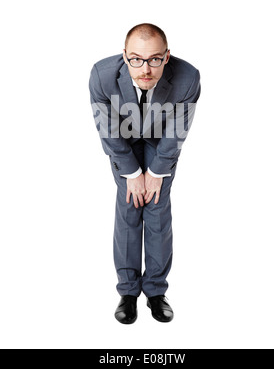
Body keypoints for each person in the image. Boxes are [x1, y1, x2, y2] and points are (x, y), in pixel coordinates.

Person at [89, 23, 201, 324]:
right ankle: (127, 292)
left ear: (166, 57)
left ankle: (155, 291)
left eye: (154, 59)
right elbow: (109, 132)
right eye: (136, 59)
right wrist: (132, 173)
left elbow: (177, 131)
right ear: (125, 57)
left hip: (160, 141)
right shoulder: (101, 75)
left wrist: (155, 171)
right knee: (129, 203)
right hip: (124, 142)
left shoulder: (188, 77)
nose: (145, 69)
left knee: (156, 206)